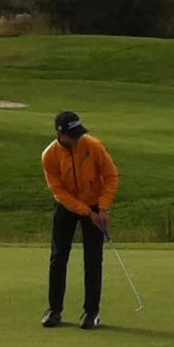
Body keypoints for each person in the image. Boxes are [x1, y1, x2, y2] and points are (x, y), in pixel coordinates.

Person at [41, 109, 120, 329]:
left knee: (93, 259)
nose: (77, 138)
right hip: (67, 207)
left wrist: (103, 208)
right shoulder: (50, 156)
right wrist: (87, 212)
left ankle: (91, 313)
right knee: (58, 257)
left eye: (78, 133)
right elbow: (59, 192)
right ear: (60, 134)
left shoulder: (93, 146)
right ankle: (55, 310)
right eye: (72, 135)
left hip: (95, 203)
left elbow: (111, 176)